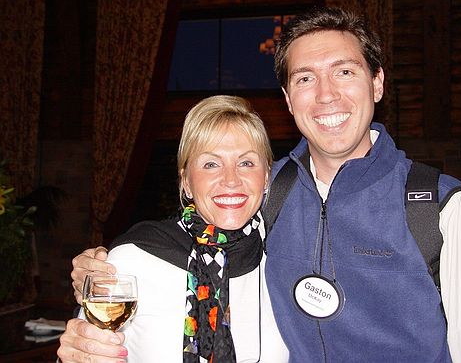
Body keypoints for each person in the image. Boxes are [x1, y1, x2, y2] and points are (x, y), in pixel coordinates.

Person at [68, 7, 461, 362]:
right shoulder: (269, 192)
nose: (326, 94)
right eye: (305, 78)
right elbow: (199, 233)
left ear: (377, 83)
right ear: (287, 99)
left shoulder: (438, 207)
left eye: (344, 71)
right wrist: (99, 272)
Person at [57, 95, 288, 362]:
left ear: (266, 176)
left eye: (246, 162)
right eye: (211, 164)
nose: (231, 179)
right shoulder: (134, 258)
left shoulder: (285, 259)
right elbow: (83, 351)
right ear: (186, 181)